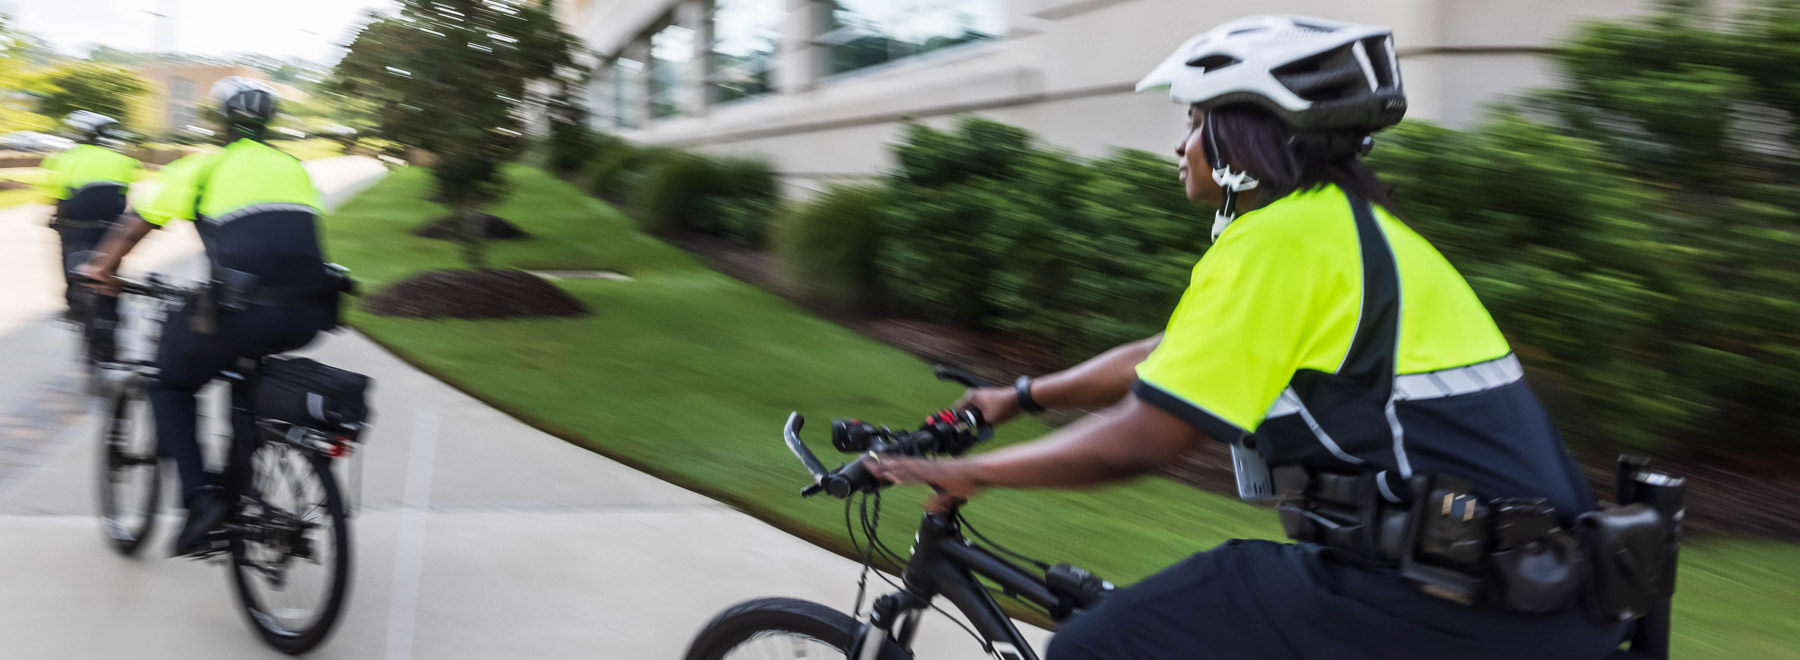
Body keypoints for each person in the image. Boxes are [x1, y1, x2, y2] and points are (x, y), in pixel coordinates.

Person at [865, 15, 1631, 659]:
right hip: (1525, 594)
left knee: (1093, 647)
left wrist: (981, 476)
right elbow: (1169, 359)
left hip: (1446, 598)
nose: (1182, 145)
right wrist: (1018, 396)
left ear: (1241, 143)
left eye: (1196, 122)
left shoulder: (1282, 243)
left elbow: (1144, 439)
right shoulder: (1347, 231)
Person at [77, 76, 335, 556]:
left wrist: (102, 267)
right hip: (309, 315)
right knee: (241, 361)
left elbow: (139, 220)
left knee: (168, 381)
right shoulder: (296, 168)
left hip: (244, 310)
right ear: (268, 123)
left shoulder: (208, 165)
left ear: (219, 122)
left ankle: (201, 502)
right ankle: (245, 470)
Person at [40, 110, 141, 362]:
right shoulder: (122, 160)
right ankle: (111, 321)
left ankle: (74, 304)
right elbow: (124, 192)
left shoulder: (63, 159)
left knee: (69, 257)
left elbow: (56, 195)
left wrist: (55, 218)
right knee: (108, 269)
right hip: (112, 227)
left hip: (76, 225)